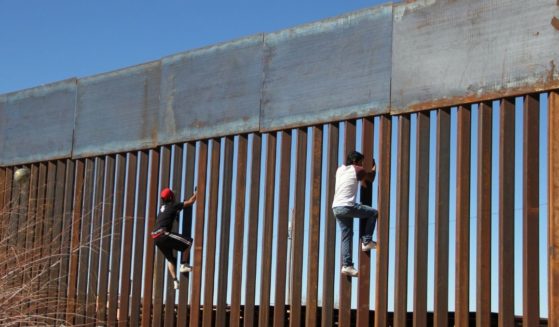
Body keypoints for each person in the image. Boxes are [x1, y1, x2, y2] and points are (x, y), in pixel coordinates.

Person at [332, 150, 378, 277]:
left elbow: (357, 181)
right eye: (361, 162)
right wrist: (374, 167)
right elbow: (371, 178)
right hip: (347, 206)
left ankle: (347, 265)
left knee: (346, 235)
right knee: (373, 213)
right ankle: (367, 241)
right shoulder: (357, 170)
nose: (362, 165)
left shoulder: (340, 170)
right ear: (355, 162)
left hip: (336, 207)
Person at [151, 187, 197, 289]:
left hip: (155, 237)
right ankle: (184, 264)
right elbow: (190, 202)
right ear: (172, 197)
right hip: (163, 234)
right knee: (189, 242)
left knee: (170, 259)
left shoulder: (162, 208)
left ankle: (175, 280)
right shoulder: (173, 205)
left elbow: (170, 214)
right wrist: (196, 193)